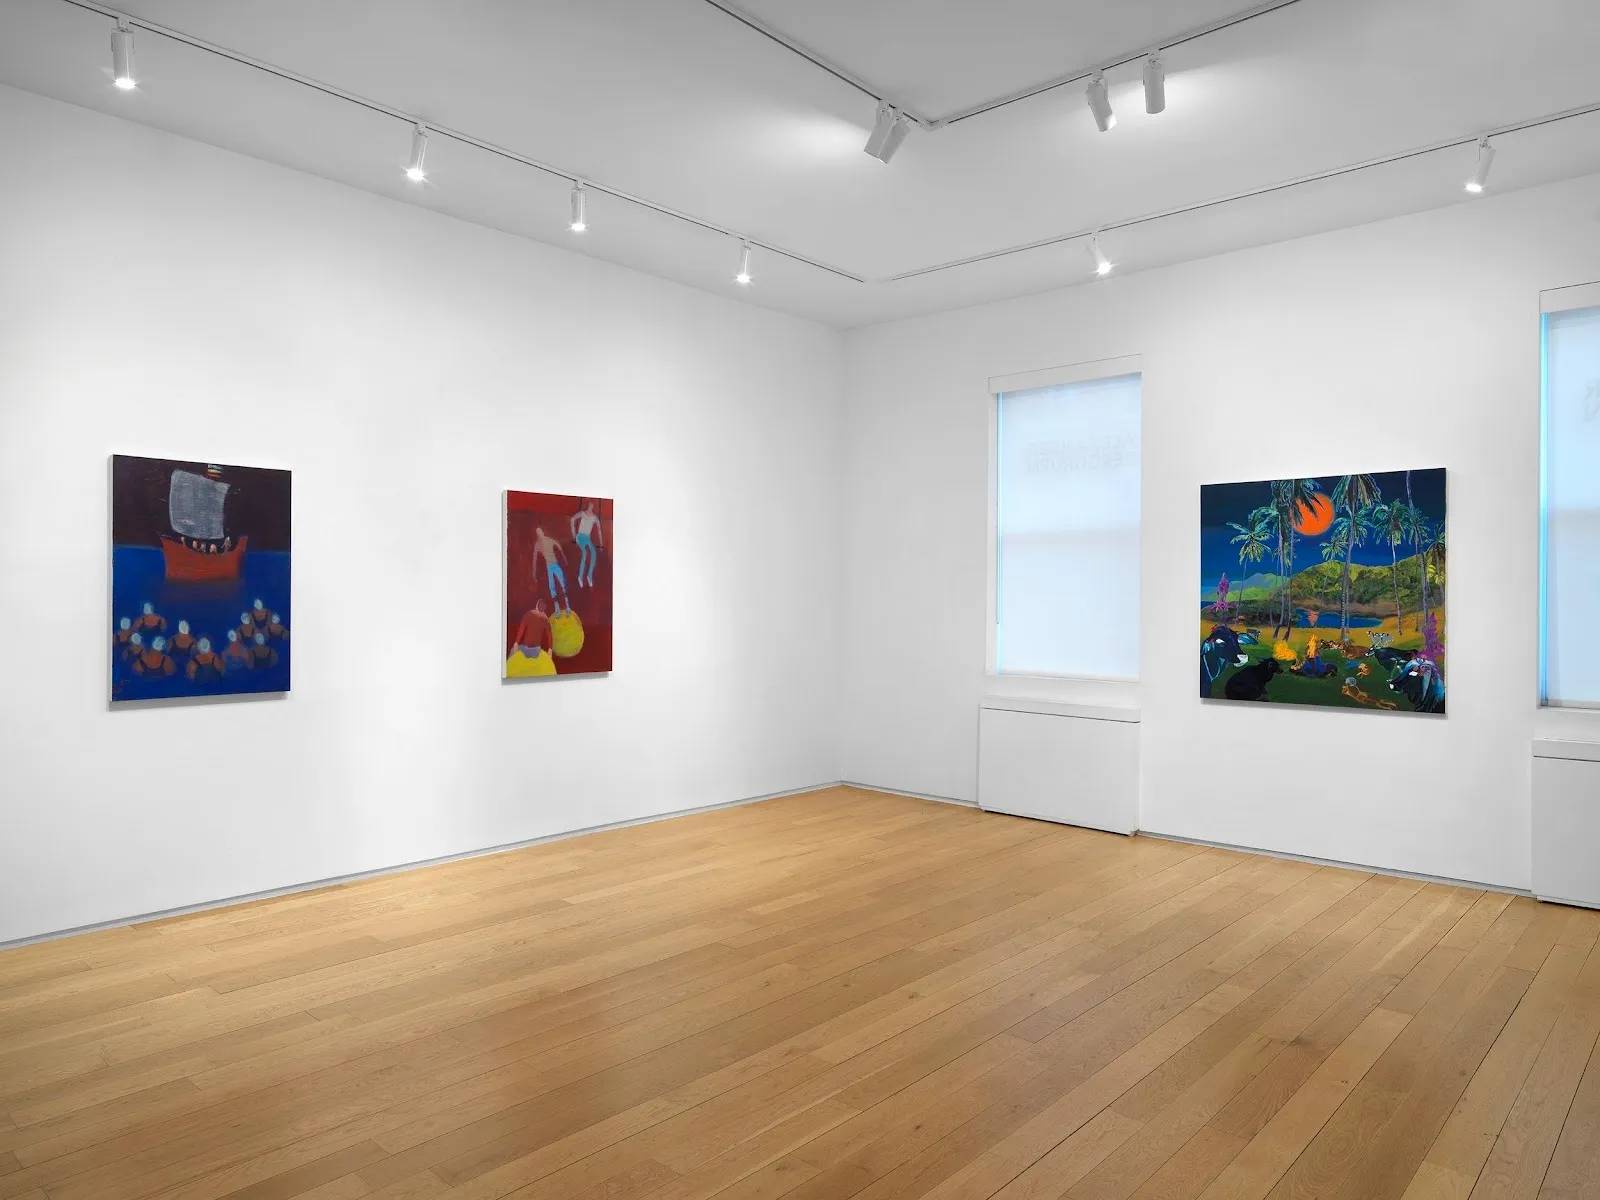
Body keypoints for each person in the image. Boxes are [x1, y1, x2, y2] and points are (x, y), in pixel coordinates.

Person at [532, 526, 570, 613]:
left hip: (555, 565)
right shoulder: (537, 544)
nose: (539, 534)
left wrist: (564, 559)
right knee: (552, 587)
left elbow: (559, 546)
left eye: (540, 532)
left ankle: (567, 606)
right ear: (537, 535)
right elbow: (534, 559)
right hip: (549, 567)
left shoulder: (549, 540)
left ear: (543, 533)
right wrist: (534, 573)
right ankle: (557, 607)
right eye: (538, 533)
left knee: (563, 584)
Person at [570, 502, 604, 588]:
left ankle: (589, 576)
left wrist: (601, 544)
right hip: (580, 536)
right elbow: (572, 519)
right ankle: (580, 577)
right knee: (584, 553)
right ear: (588, 505)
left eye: (592, 505)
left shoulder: (595, 517)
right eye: (590, 504)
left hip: (587, 538)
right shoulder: (582, 513)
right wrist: (574, 535)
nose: (591, 506)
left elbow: (599, 531)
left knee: (594, 554)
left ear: (593, 507)